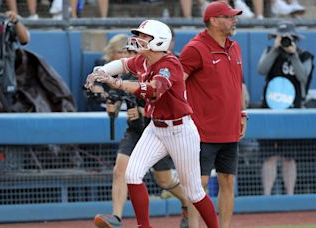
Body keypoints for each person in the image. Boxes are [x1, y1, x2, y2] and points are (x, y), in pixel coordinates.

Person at [85, 19, 219, 228]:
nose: (139, 39)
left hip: (180, 130)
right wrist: (102, 71)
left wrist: (118, 83)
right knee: (131, 174)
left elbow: (153, 89)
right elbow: (122, 64)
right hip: (156, 128)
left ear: (158, 41)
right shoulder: (142, 60)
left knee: (193, 191)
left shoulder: (170, 64)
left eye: (144, 36)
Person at [92, 34, 190, 228]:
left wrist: (140, 111)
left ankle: (187, 203)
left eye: (131, 51)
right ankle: (116, 218)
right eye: (127, 52)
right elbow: (118, 100)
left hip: (156, 130)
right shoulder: (125, 75)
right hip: (135, 131)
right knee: (120, 169)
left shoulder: (159, 71)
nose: (129, 55)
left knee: (164, 180)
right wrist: (113, 108)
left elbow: (159, 101)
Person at [179, 2, 247, 227]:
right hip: (202, 131)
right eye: (229, 17)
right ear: (214, 20)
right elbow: (177, 84)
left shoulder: (234, 47)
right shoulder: (195, 48)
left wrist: (241, 113)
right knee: (199, 185)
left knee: (228, 181)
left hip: (229, 129)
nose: (233, 20)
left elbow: (236, 84)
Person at [257, 21, 314, 195]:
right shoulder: (270, 52)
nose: (285, 41)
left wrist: (294, 54)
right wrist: (275, 49)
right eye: (282, 37)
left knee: (289, 158)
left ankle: (290, 196)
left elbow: (303, 77)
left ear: (295, 38)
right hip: (270, 110)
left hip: (292, 111)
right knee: (270, 157)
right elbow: (261, 69)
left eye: (288, 38)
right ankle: (267, 196)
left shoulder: (305, 55)